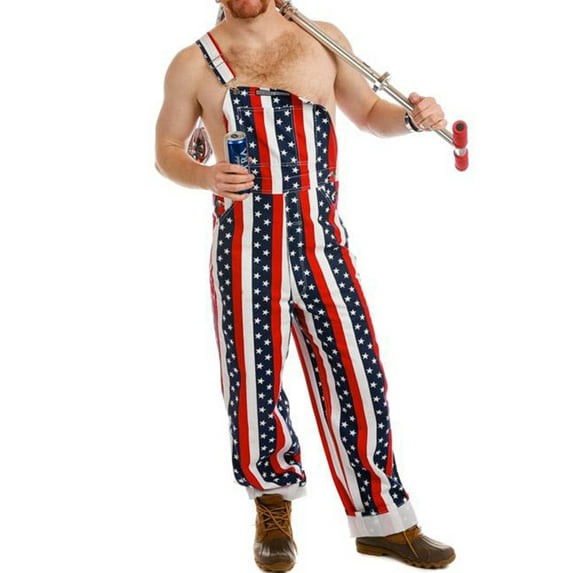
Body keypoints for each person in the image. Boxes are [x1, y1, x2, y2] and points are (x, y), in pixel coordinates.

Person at [154, 0, 455, 570]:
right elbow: (166, 153)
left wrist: (413, 119)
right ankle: (272, 507)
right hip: (244, 241)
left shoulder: (322, 38)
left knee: (357, 370)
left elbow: (370, 112)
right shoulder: (193, 63)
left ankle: (384, 523)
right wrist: (205, 174)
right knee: (253, 379)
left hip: (322, 241)